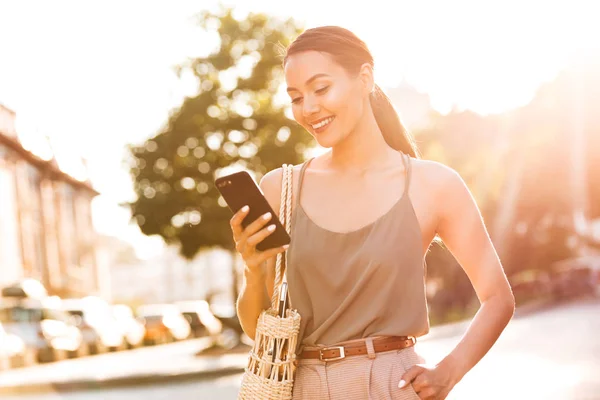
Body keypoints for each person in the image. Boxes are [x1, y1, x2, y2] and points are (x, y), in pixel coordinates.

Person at [233, 25, 515, 400]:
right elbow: (257, 330)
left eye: (321, 89)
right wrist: (254, 270)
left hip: (391, 385)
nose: (309, 108)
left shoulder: (434, 185)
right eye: (296, 97)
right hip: (303, 389)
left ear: (364, 78)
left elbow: (498, 298)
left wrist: (449, 372)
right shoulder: (279, 189)